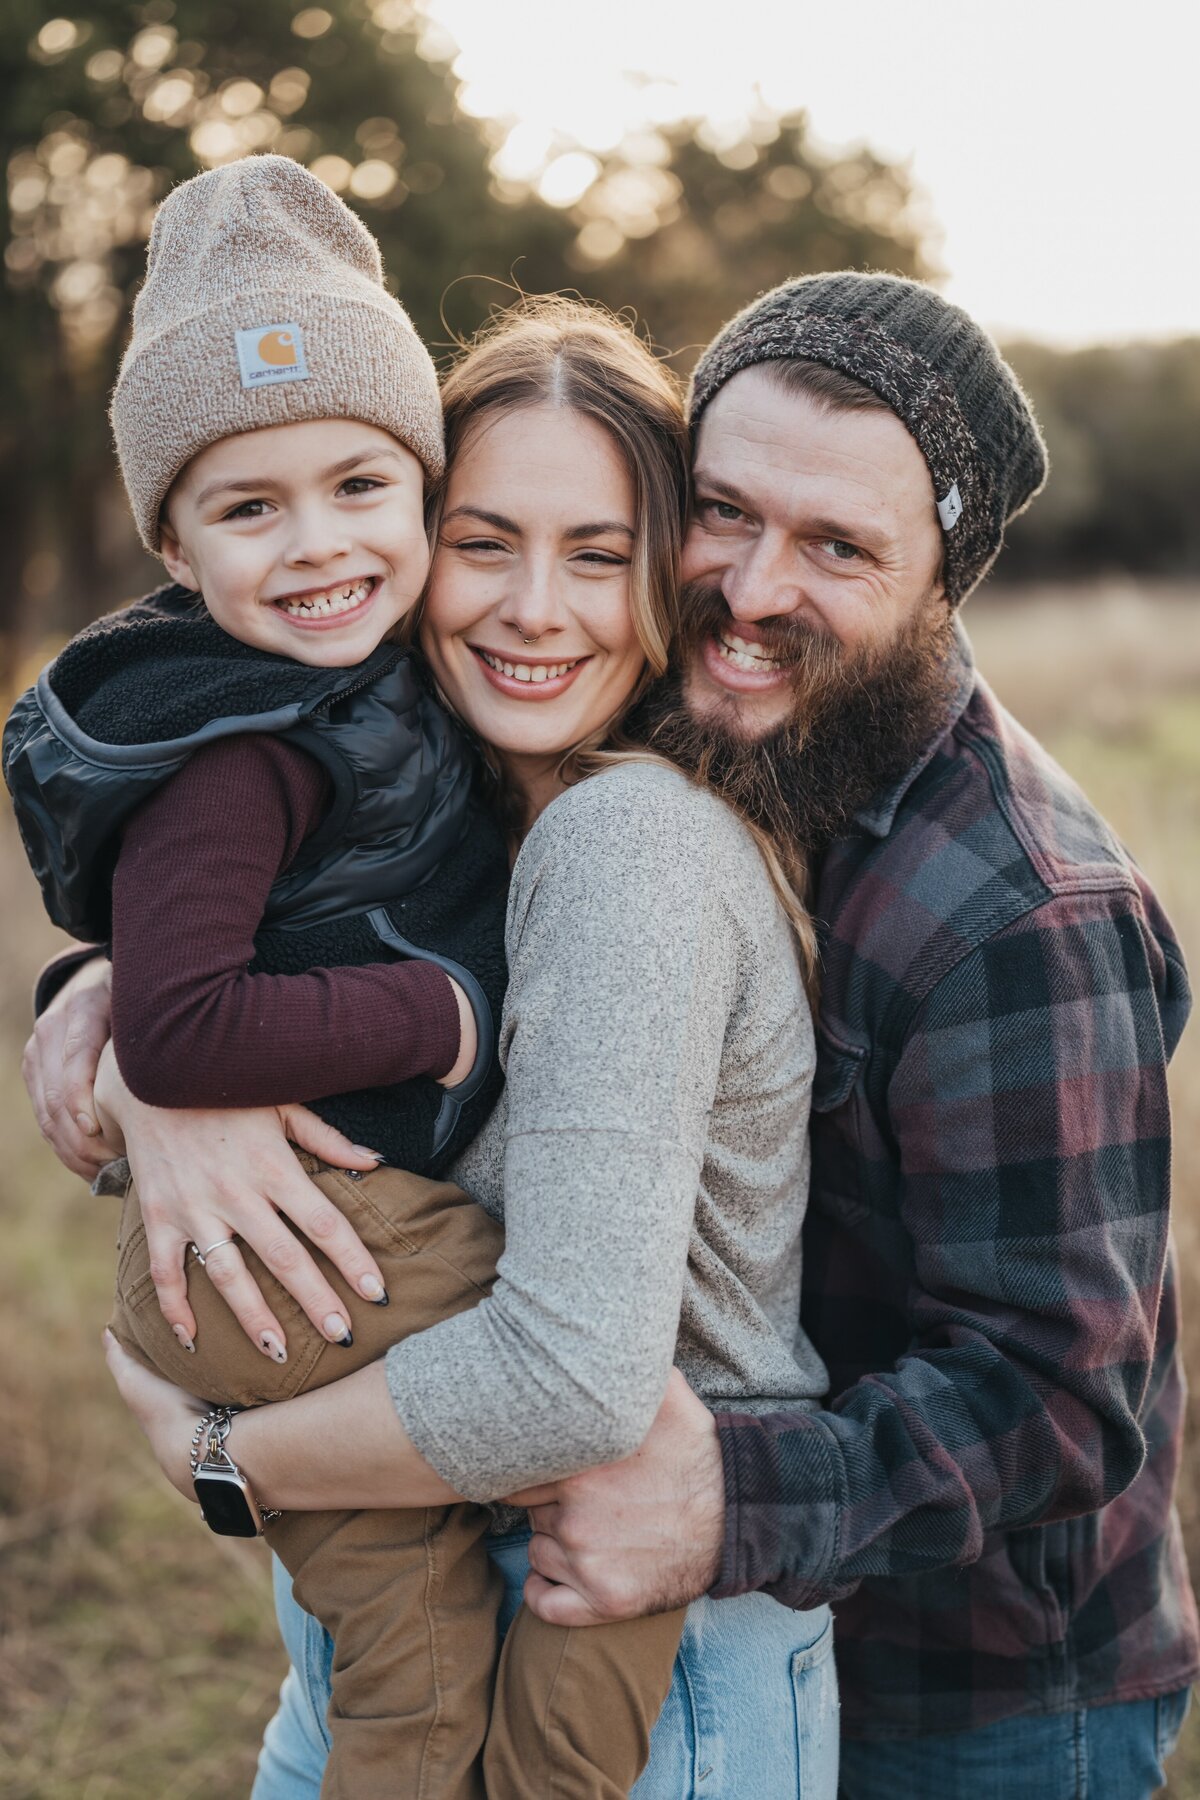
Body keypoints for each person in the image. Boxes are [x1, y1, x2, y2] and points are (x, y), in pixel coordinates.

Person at [16, 242, 840, 1794]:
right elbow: (231, 936)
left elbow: (573, 1384)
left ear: (665, 570)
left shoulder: (619, 844)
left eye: (598, 556)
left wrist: (213, 1458)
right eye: (487, 542)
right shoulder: (452, 797)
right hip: (414, 1607)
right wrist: (110, 1013)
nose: (535, 610)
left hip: (633, 1658)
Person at [489, 274, 1200, 1798]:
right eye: (725, 511)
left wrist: (719, 1501)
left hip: (980, 1703)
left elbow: (1061, 1397)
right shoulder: (686, 727)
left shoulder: (1023, 918)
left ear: (945, 577)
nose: (749, 589)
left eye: (835, 547)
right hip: (735, 1648)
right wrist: (110, 992)